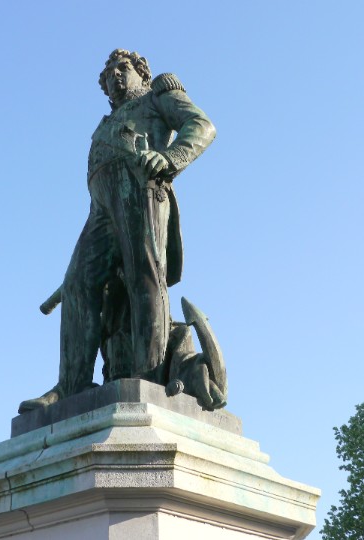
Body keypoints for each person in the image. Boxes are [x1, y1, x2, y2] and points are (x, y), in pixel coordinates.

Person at [19, 49, 216, 413]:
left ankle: (148, 376)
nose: (114, 76)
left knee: (145, 277)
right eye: (108, 74)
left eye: (123, 68)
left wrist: (170, 158)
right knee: (77, 283)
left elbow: (202, 125)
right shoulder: (104, 124)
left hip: (143, 189)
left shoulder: (158, 97)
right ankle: (72, 384)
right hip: (101, 209)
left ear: (142, 73)